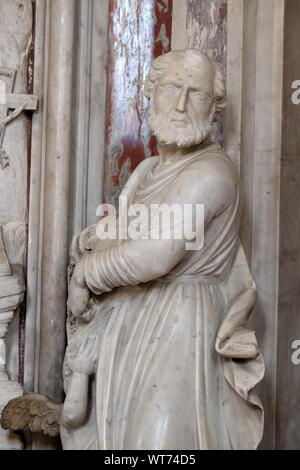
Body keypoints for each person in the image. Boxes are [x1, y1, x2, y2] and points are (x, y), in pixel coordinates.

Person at [62, 49, 264, 450]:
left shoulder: (212, 172)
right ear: (150, 92)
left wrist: (86, 273)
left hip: (179, 330)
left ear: (214, 109)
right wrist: (92, 237)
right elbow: (127, 227)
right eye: (173, 87)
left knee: (160, 446)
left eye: (198, 94)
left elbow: (154, 255)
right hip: (129, 329)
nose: (182, 102)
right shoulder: (146, 171)